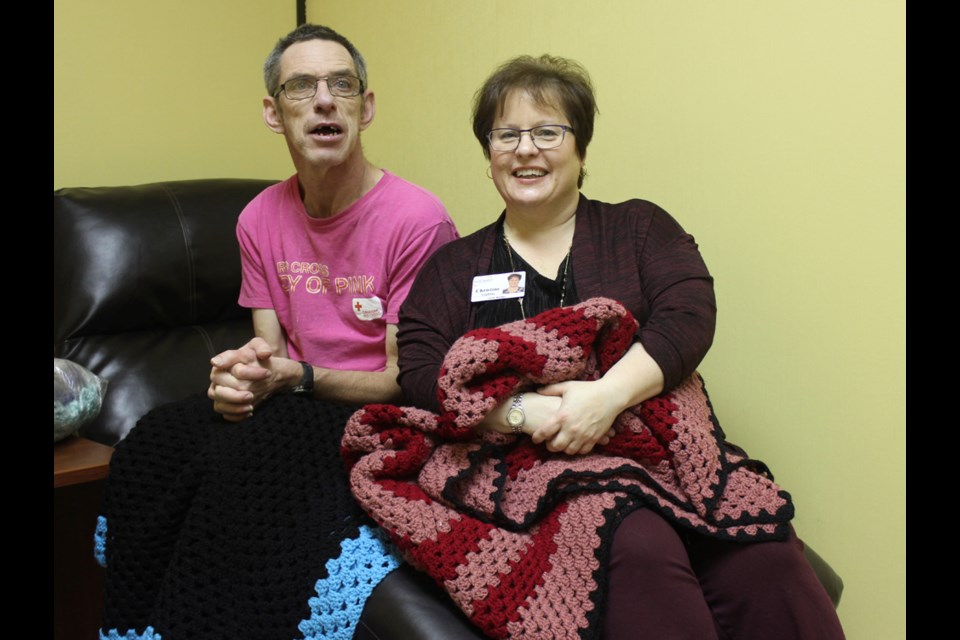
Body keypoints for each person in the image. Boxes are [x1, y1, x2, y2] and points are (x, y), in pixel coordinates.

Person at [392, 55, 845, 639]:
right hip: (530, 470)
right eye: (506, 135)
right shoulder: (453, 269)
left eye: (548, 132)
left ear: (581, 149)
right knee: (634, 536)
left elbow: (689, 314)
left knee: (769, 558)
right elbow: (421, 370)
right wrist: (527, 413)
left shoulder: (639, 229)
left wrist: (601, 400)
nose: (525, 150)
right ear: (488, 156)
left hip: (668, 455)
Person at [96, 24, 457, 640]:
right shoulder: (258, 218)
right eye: (301, 86)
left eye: (341, 84)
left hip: (382, 414)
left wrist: (296, 381)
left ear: (365, 108)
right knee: (155, 436)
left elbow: (408, 380)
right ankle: (135, 627)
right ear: (274, 112)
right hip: (294, 397)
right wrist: (239, 379)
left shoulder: (418, 220)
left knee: (249, 462)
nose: (324, 100)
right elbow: (270, 350)